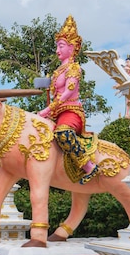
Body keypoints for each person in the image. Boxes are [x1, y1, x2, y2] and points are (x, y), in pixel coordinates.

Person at [38, 15, 98, 183]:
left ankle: (88, 166)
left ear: (72, 47)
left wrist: (47, 110)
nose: (57, 50)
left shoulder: (73, 68)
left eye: (61, 46)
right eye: (57, 46)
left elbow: (67, 94)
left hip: (71, 111)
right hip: (56, 113)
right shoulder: (58, 70)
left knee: (62, 133)